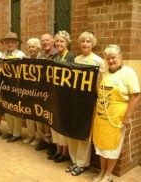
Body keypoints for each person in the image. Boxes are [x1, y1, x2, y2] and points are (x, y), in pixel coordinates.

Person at [92, 44, 140, 182]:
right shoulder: (105, 72)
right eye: (108, 58)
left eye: (113, 58)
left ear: (120, 57)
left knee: (113, 148)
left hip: (117, 117)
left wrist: (128, 116)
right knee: (101, 147)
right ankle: (101, 172)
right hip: (101, 117)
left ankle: (108, 175)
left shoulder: (128, 72)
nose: (111, 61)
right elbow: (98, 92)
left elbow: (135, 95)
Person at [66, 31, 105, 176]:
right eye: (83, 41)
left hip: (89, 102)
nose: (85, 44)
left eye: (88, 41)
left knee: (84, 132)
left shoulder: (98, 61)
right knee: (73, 131)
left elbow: (101, 82)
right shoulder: (76, 59)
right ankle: (74, 160)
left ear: (92, 44)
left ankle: (82, 163)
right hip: (76, 100)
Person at [48, 30, 76, 163]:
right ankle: (58, 149)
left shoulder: (71, 57)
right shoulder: (54, 57)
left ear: (67, 43)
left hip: (65, 97)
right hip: (54, 96)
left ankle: (65, 153)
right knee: (54, 125)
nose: (59, 43)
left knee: (62, 125)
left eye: (62, 41)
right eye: (57, 41)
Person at [0, 32, 25, 142]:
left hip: (16, 87)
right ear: (5, 43)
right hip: (5, 86)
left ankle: (17, 133)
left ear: (16, 43)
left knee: (16, 110)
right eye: (8, 42)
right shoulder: (2, 55)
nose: (10, 44)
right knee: (7, 110)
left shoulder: (20, 55)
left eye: (12, 42)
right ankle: (10, 131)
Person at [35, 34, 58, 153]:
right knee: (42, 116)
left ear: (52, 41)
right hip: (42, 90)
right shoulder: (40, 55)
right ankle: (46, 140)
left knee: (51, 117)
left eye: (47, 40)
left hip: (53, 91)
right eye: (43, 40)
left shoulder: (57, 54)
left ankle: (54, 144)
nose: (45, 42)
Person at [22, 38, 44, 146]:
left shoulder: (42, 58)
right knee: (29, 114)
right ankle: (31, 135)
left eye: (33, 47)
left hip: (40, 92)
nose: (31, 49)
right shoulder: (27, 59)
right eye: (29, 47)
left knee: (38, 115)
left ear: (38, 47)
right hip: (29, 91)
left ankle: (39, 136)